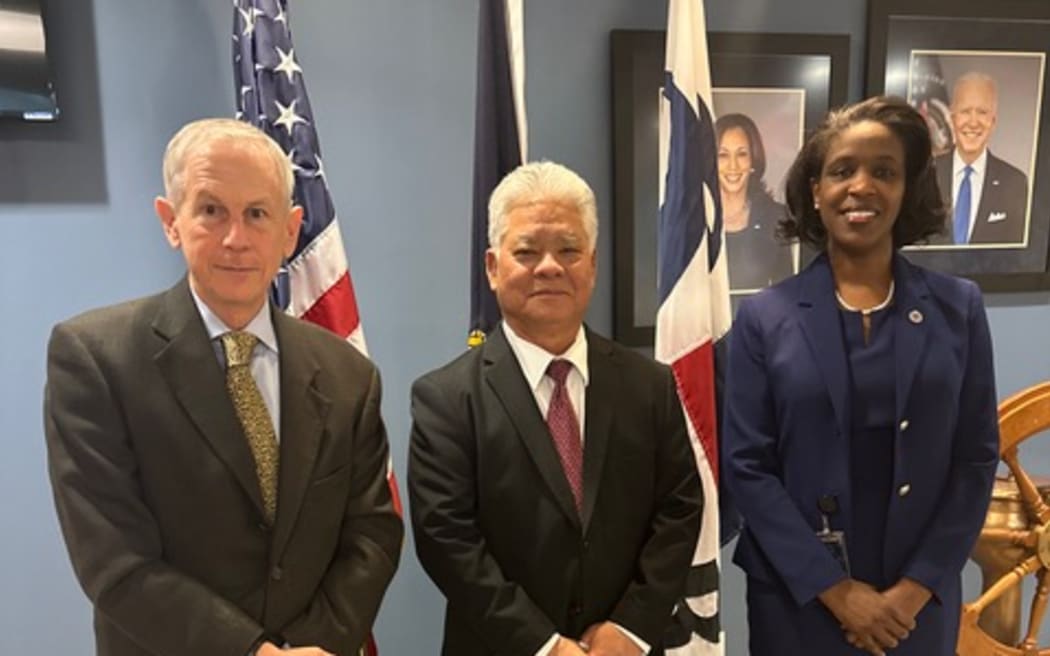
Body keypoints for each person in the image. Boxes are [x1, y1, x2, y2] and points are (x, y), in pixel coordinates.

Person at [44, 118, 403, 656]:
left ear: (289, 230)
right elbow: (113, 559)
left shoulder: (348, 375)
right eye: (211, 211)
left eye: (257, 213)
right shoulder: (95, 359)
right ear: (171, 221)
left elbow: (372, 535)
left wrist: (311, 646)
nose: (236, 238)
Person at [723, 96, 999, 655]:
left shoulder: (958, 309)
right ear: (815, 192)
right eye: (843, 171)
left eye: (884, 171)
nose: (862, 186)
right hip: (798, 601)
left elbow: (976, 459)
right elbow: (747, 468)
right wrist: (835, 590)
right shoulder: (764, 318)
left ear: (907, 189)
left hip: (915, 608)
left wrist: (915, 588)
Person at [408, 161, 702, 656]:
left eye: (568, 250)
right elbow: (448, 542)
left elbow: (680, 509)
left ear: (591, 263)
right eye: (526, 251)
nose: (550, 266)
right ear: (492, 267)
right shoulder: (445, 399)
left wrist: (630, 627)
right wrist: (545, 646)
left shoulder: (649, 385)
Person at [933, 71, 1028, 245]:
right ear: (952, 119)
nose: (973, 122)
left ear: (993, 122)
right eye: (965, 111)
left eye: (982, 112)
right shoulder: (927, 174)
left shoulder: (1015, 183)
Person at [715, 113, 794, 291]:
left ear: (753, 160)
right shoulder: (691, 221)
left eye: (742, 154)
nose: (733, 166)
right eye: (723, 155)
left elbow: (787, 293)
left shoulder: (776, 217)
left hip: (759, 319)